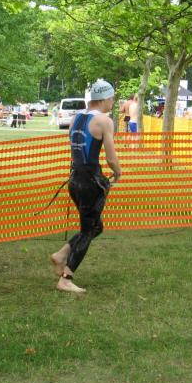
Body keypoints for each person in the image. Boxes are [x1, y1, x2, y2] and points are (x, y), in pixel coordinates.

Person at [50, 79, 122, 293]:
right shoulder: (104, 121)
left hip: (75, 181)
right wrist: (118, 172)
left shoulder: (76, 118)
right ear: (105, 98)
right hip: (90, 183)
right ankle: (66, 278)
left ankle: (61, 255)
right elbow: (111, 158)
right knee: (88, 230)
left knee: (95, 227)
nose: (112, 103)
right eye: (112, 99)